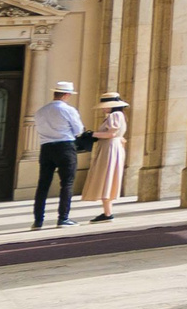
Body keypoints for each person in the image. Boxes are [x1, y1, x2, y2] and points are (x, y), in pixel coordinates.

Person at [32, 80, 85, 230]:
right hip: (65, 146)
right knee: (67, 183)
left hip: (46, 147)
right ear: (67, 95)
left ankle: (38, 220)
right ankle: (63, 218)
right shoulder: (68, 110)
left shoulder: (40, 111)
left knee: (43, 184)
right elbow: (78, 130)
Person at [81, 92, 129, 221]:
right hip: (111, 147)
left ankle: (108, 213)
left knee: (106, 176)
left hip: (110, 148)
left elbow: (111, 134)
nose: (103, 108)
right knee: (108, 177)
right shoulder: (117, 115)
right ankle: (107, 212)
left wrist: (92, 134)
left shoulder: (115, 115)